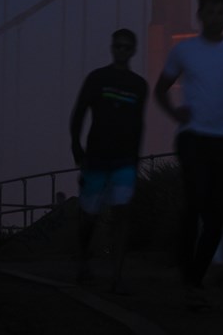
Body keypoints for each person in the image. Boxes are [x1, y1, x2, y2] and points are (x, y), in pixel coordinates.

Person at [153, 0, 223, 311]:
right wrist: (175, 113)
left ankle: (193, 280)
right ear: (200, 15)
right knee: (196, 206)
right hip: (193, 139)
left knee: (214, 217)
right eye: (210, 12)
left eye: (221, 11)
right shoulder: (183, 51)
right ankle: (192, 279)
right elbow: (160, 90)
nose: (216, 17)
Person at [70, 28, 149, 292]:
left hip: (124, 161)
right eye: (118, 46)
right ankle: (83, 262)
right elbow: (79, 113)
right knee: (89, 217)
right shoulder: (97, 78)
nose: (122, 51)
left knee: (122, 216)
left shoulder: (140, 86)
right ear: (112, 47)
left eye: (127, 47)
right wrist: (76, 148)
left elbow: (139, 123)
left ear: (133, 50)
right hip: (96, 158)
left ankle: (116, 275)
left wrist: (136, 159)